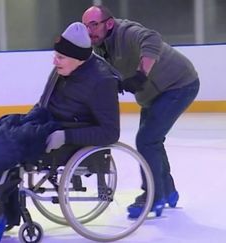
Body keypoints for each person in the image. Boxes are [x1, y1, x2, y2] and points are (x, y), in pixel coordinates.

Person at [0, 22, 121, 243]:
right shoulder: (63, 70)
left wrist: (66, 136)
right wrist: (26, 119)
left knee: (5, 147)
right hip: (46, 125)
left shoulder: (102, 81)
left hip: (66, 137)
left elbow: (110, 132)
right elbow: (44, 103)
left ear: (78, 59)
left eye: (60, 58)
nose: (55, 61)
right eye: (56, 56)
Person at [82, 5, 200, 218]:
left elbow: (152, 38)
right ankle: (167, 190)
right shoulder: (99, 46)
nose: (89, 30)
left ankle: (154, 196)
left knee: (147, 140)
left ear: (109, 23)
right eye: (85, 26)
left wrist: (140, 73)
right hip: (153, 95)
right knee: (152, 140)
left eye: (93, 25)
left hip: (178, 85)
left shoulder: (126, 32)